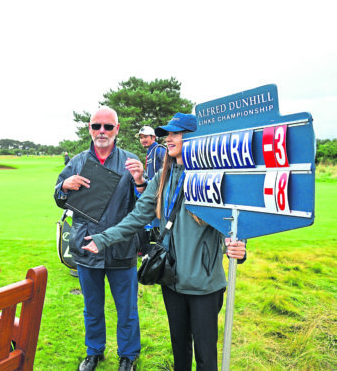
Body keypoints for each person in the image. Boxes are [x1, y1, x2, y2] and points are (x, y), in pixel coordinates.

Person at [83, 112, 247, 371]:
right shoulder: (162, 177)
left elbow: (234, 222)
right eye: (168, 134)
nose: (168, 139)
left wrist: (239, 247)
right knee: (180, 354)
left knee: (206, 358)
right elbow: (138, 217)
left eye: (175, 134)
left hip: (205, 286)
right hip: (171, 280)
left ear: (195, 139)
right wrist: (103, 239)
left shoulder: (215, 178)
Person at [54, 106, 145, 371]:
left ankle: (128, 355)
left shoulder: (130, 161)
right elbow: (59, 199)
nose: (101, 131)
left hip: (120, 248)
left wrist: (140, 181)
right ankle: (94, 352)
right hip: (86, 248)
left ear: (117, 129)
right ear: (90, 129)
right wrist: (64, 187)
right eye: (96, 126)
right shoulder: (78, 161)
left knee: (126, 308)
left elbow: (144, 206)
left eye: (107, 126)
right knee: (92, 306)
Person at [135, 126, 166, 255]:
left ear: (153, 137)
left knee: (160, 223)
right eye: (141, 138)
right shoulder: (149, 152)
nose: (143, 140)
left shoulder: (158, 149)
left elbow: (170, 165)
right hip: (154, 193)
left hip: (162, 194)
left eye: (145, 137)